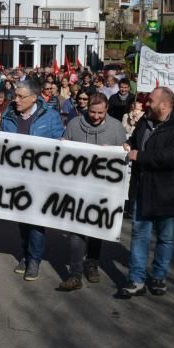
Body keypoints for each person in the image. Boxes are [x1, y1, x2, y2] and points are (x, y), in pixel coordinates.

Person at [119, 86, 174, 298]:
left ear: (164, 104)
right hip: (143, 191)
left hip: (169, 194)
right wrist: (128, 143)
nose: (146, 103)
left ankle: (159, 277)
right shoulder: (145, 120)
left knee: (166, 238)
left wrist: (139, 156)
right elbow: (136, 141)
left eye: (150, 100)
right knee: (139, 236)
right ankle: (136, 280)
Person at [58, 93, 127, 291]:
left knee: (96, 229)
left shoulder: (116, 128)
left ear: (107, 111)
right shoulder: (73, 125)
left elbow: (123, 159)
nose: (96, 116)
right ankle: (75, 274)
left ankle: (92, 264)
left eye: (100, 113)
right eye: (92, 112)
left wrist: (119, 150)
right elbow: (64, 151)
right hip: (77, 187)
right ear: (86, 108)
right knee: (76, 231)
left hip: (103, 189)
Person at [0, 78, 65, 281]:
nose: (16, 100)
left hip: (40, 178)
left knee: (36, 221)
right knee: (22, 220)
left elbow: (59, 143)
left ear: (34, 97)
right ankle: (26, 254)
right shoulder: (8, 116)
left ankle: (34, 259)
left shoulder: (51, 116)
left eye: (20, 96)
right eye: (15, 95)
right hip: (18, 178)